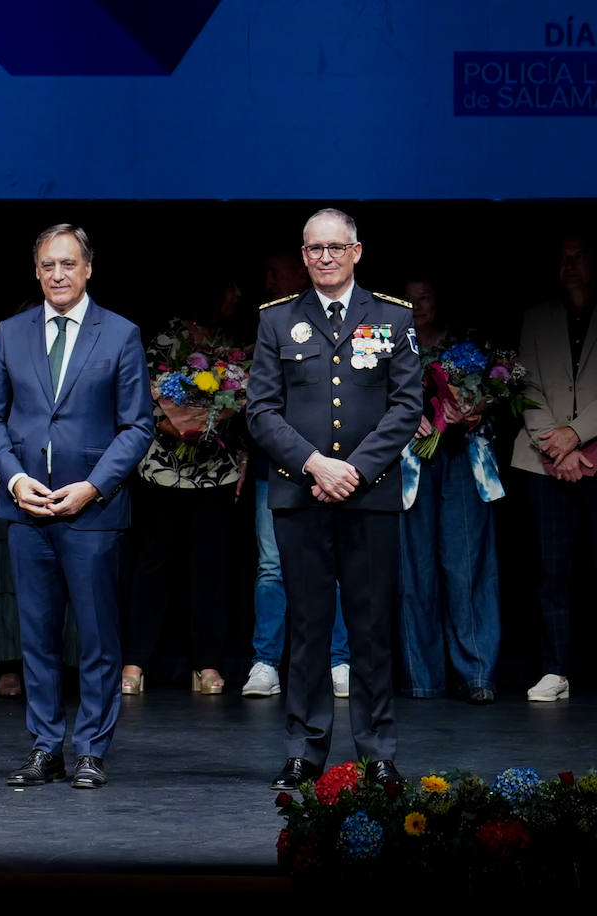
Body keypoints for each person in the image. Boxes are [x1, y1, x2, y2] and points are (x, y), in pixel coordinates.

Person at [0, 224, 154, 789]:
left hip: (91, 510)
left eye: (68, 264)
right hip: (28, 507)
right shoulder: (11, 332)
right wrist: (13, 479)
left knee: (98, 636)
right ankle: (45, 746)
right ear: (36, 270)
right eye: (48, 264)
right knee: (37, 634)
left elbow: (137, 426)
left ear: (88, 269)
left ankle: (91, 750)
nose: (58, 274)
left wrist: (94, 487)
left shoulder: (120, 334)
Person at [247, 208, 421, 791]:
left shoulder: (393, 317)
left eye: (335, 248)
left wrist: (355, 470)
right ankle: (304, 750)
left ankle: (377, 752)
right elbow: (261, 411)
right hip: (300, 493)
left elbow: (406, 407)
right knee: (308, 627)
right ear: (303, 256)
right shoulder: (276, 321)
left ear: (357, 251)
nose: (324, 257)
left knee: (371, 627)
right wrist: (315, 465)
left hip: (368, 497)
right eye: (314, 249)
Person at [243, 251, 351, 700]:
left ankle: (339, 660)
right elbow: (262, 404)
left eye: (274, 270)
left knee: (340, 566)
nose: (267, 279)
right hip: (284, 467)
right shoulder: (273, 321)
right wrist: (306, 459)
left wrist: (336, 465)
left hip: (343, 471)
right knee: (272, 568)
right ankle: (265, 663)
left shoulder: (346, 318)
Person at [124, 309, 248, 698]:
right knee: (152, 565)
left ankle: (206, 663)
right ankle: (136, 661)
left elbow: (244, 397)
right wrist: (176, 424)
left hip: (215, 469)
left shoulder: (231, 340)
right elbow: (138, 394)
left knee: (210, 569)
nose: (237, 296)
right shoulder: (166, 334)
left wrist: (204, 424)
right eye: (230, 289)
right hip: (162, 467)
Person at [512, 235, 597, 703]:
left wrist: (576, 435)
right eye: (563, 257)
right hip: (542, 459)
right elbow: (525, 386)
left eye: (579, 256)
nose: (570, 265)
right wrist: (558, 445)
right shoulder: (536, 315)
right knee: (551, 572)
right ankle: (555, 670)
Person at [398, 279, 503, 704]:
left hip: (461, 457)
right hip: (411, 461)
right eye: (410, 299)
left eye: (425, 297)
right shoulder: (389, 341)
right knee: (415, 571)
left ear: (438, 300)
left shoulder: (466, 344)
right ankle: (422, 679)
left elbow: (497, 387)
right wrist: (402, 416)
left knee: (466, 565)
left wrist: (478, 408)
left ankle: (477, 674)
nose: (418, 306)